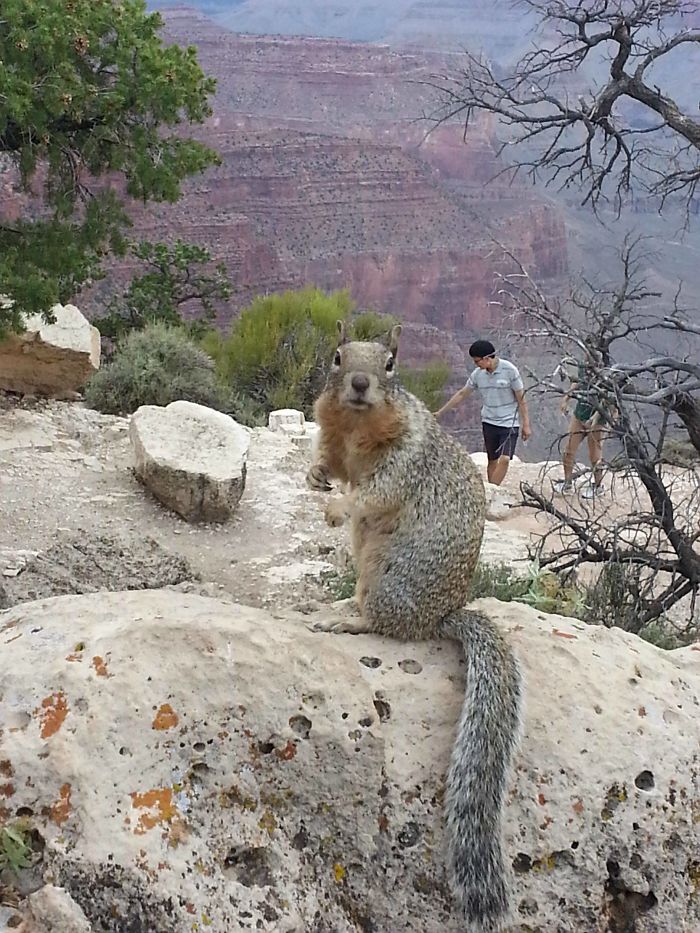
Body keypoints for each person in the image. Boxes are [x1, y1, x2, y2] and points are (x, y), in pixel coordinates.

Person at [434, 339, 531, 486]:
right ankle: (491, 490)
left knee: (504, 459)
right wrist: (440, 412)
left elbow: (521, 398)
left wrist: (526, 424)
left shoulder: (510, 371)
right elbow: (462, 394)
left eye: (477, 361)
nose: (476, 364)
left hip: (509, 422)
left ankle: (493, 488)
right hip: (489, 421)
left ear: (487, 358)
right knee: (492, 459)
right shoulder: (477, 375)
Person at [553, 358, 607, 500]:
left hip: (598, 418)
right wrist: (566, 398)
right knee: (568, 450)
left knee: (595, 455)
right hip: (580, 414)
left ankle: (598, 486)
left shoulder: (606, 371)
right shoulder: (583, 366)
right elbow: (577, 382)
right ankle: (567, 483)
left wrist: (594, 419)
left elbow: (607, 399)